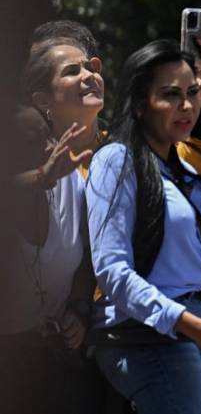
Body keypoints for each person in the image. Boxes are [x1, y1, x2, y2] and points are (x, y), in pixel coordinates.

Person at [85, 39, 201, 414]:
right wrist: (188, 324)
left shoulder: (185, 173)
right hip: (148, 338)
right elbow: (111, 270)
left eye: (193, 92)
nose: (188, 106)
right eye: (171, 94)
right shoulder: (116, 160)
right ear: (140, 102)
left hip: (188, 331)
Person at [0, 35, 104, 414]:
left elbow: (87, 256)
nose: (46, 148)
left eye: (91, 67)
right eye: (72, 70)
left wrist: (76, 308)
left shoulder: (76, 178)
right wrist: (42, 177)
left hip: (55, 367)